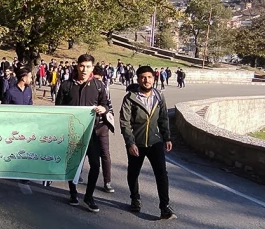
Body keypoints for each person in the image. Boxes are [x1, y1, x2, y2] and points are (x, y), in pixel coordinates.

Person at [55, 54, 114, 212]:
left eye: (88, 66)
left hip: (92, 133)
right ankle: (73, 193)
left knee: (95, 165)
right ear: (77, 66)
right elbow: (58, 108)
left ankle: (89, 196)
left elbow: (106, 104)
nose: (84, 69)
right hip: (73, 133)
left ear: (92, 68)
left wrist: (103, 109)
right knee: (73, 164)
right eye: (82, 66)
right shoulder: (66, 85)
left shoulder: (99, 85)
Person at [120, 66, 176, 220]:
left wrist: (167, 137)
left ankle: (164, 207)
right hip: (136, 143)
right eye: (143, 77)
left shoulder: (159, 96)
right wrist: (130, 143)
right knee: (133, 172)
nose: (146, 80)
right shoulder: (130, 98)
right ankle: (135, 199)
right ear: (138, 79)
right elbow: (124, 122)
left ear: (154, 78)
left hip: (155, 141)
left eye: (149, 77)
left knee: (162, 174)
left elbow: (163, 118)